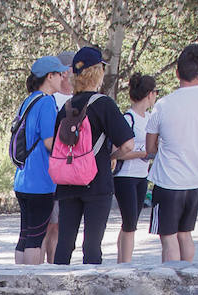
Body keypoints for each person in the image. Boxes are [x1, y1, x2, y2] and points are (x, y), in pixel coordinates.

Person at [53, 46, 134, 265]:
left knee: (64, 243)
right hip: (96, 181)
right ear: (97, 72)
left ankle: (57, 291)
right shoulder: (103, 104)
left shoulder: (66, 107)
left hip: (68, 181)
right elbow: (128, 144)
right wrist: (111, 156)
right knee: (91, 245)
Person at [146, 43, 198, 263]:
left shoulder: (163, 105)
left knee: (169, 239)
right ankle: (188, 284)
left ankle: (169, 285)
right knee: (186, 235)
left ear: (177, 73)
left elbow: (150, 148)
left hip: (168, 181)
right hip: (195, 180)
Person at [13, 56, 71, 264]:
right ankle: (30, 285)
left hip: (23, 178)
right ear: (50, 76)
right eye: (60, 74)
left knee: (25, 236)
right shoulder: (46, 102)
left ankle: (18, 280)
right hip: (41, 181)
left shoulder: (29, 101)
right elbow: (49, 142)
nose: (63, 78)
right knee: (35, 239)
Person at [112, 73, 158, 263]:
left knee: (130, 223)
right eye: (155, 92)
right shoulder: (128, 118)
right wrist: (142, 154)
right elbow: (117, 152)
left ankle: (122, 261)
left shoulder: (150, 118)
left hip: (142, 176)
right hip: (125, 176)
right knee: (130, 223)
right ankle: (127, 265)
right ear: (149, 94)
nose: (156, 96)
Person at [42, 51, 75, 263]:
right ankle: (49, 263)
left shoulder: (76, 99)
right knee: (50, 224)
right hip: (51, 171)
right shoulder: (50, 100)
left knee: (64, 223)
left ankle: (58, 263)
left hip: (72, 171)